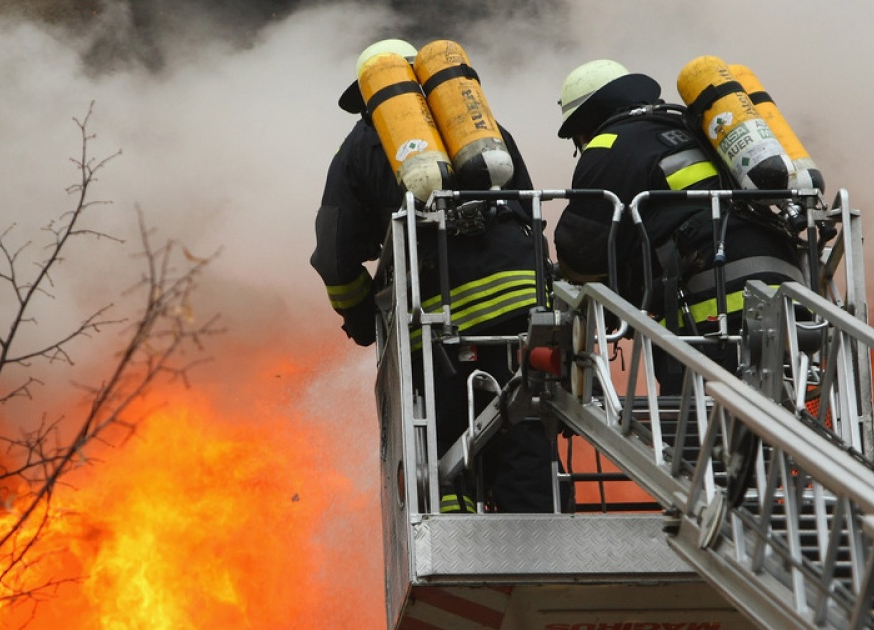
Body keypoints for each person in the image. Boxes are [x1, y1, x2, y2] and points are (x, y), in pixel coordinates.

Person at [312, 39, 563, 514]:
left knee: (446, 436)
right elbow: (529, 208)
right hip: (521, 303)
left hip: (442, 315)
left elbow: (333, 255)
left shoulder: (359, 148)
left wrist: (362, 319)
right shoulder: (483, 131)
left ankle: (457, 531)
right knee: (525, 419)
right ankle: (538, 526)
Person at [552, 59, 804, 394]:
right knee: (785, 418)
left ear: (587, 121)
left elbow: (583, 249)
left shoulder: (608, 144)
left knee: (696, 431)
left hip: (713, 308)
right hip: (787, 290)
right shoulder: (694, 129)